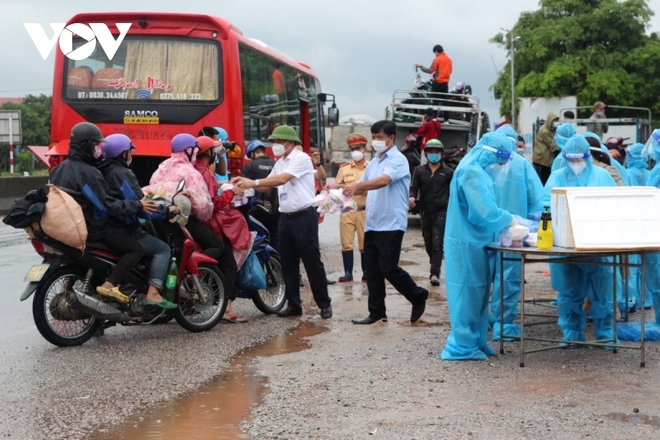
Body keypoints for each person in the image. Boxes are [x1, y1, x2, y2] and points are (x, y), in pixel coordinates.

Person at [231, 125, 333, 319]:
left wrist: (254, 182)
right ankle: (294, 304)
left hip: (303, 216)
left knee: (311, 261)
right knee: (288, 263)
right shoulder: (280, 162)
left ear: (290, 142)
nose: (275, 145)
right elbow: (268, 186)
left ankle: (324, 304)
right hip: (285, 218)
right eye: (275, 142)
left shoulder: (301, 159)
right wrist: (242, 185)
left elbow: (282, 180)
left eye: (278, 142)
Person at [49, 122, 156, 304]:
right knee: (135, 249)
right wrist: (138, 206)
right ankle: (110, 285)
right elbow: (108, 204)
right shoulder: (90, 172)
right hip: (95, 228)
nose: (99, 149)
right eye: (96, 145)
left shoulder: (60, 168)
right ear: (87, 146)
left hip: (69, 224)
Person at [343, 120, 429, 325]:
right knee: (372, 270)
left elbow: (383, 181)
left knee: (388, 268)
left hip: (391, 222)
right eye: (374, 137)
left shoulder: (398, 160)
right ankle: (377, 312)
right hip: (373, 222)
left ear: (391, 138)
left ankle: (417, 295)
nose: (376, 141)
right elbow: (363, 187)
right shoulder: (374, 162)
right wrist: (338, 192)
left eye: (380, 137)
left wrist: (358, 186)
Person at [440, 132, 517, 361]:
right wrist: (509, 219)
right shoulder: (471, 171)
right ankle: (460, 347)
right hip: (467, 242)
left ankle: (476, 340)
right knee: (467, 292)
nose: (499, 166)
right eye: (499, 161)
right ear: (490, 154)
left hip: (476, 241)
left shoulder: (477, 168)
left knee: (479, 293)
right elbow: (483, 212)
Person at [542, 135, 617, 345]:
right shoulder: (557, 177)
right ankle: (571, 333)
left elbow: (614, 206)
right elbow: (544, 205)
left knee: (603, 291)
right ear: (564, 158)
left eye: (579, 160)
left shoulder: (602, 177)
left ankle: (606, 333)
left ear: (588, 157)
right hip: (565, 246)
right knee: (569, 292)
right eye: (571, 160)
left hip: (597, 246)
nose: (576, 164)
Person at [98, 134, 177, 309]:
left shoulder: (100, 169)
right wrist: (166, 211)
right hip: (120, 226)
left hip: (103, 223)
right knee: (162, 249)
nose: (131, 154)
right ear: (123, 153)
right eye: (129, 151)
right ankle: (153, 293)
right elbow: (144, 208)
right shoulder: (122, 173)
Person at [489, 125, 544, 342]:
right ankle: (504, 324)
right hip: (513, 231)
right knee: (508, 276)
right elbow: (538, 201)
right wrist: (533, 225)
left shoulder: (481, 162)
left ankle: (481, 320)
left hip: (483, 230)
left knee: (481, 277)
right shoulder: (522, 165)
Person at [194, 135, 249, 323]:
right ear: (209, 153)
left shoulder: (191, 170)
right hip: (210, 223)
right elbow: (212, 204)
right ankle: (227, 308)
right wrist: (230, 193)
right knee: (228, 264)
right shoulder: (205, 173)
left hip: (194, 223)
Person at [408, 139, 453, 287]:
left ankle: (435, 273)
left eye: (437, 152)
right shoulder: (419, 170)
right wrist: (412, 197)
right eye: (431, 152)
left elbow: (453, 193)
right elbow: (414, 187)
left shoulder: (448, 173)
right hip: (425, 211)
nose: (434, 154)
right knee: (428, 243)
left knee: (437, 242)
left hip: (442, 211)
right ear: (426, 153)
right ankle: (436, 261)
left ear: (442, 154)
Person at [329, 133, 370, 283]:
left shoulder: (371, 167)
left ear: (365, 149)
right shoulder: (344, 168)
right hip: (346, 210)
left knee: (365, 244)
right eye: (352, 149)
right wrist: (347, 187)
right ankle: (348, 273)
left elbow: (372, 187)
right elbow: (336, 185)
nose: (355, 151)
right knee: (346, 243)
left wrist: (355, 188)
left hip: (364, 210)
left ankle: (366, 273)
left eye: (358, 148)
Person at [625, 142, 653, 309]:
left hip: (632, 221)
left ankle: (633, 298)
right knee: (650, 263)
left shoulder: (628, 174)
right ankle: (648, 299)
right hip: (651, 221)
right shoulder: (651, 173)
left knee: (633, 264)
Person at [242, 139, 279, 250]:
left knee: (258, 240)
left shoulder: (250, 166)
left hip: (256, 210)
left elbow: (243, 188)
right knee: (276, 239)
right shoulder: (276, 164)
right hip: (276, 210)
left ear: (252, 153)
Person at [532, 112, 560, 185]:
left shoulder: (551, 129)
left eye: (557, 121)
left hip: (546, 159)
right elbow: (552, 145)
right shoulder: (545, 131)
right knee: (544, 180)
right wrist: (563, 147)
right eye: (554, 121)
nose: (556, 123)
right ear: (550, 120)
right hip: (542, 160)